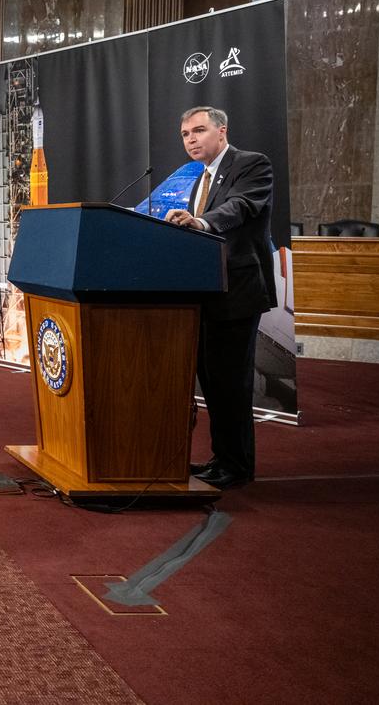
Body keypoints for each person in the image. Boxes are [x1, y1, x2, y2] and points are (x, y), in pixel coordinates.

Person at [164, 106, 275, 490]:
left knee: (232, 383)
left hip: (238, 291)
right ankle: (221, 458)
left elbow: (241, 207)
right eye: (184, 134)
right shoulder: (200, 180)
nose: (190, 139)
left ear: (222, 131)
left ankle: (237, 466)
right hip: (206, 293)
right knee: (212, 383)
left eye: (198, 131)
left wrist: (202, 222)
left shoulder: (251, 165)